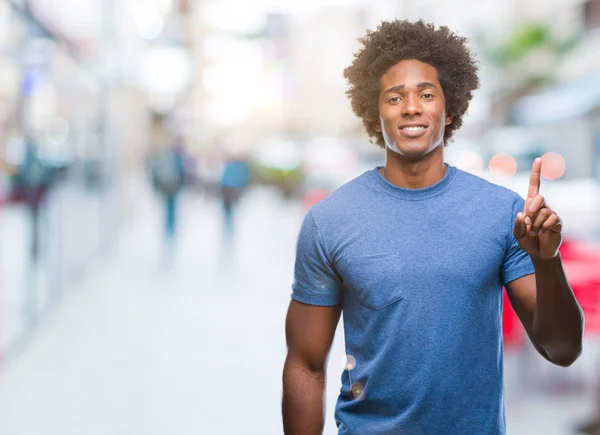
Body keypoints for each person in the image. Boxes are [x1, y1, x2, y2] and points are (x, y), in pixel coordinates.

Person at [282, 20, 584, 435]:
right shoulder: (330, 221)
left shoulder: (503, 214)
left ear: (451, 106)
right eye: (395, 97)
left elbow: (563, 350)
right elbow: (305, 363)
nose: (411, 107)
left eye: (427, 94)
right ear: (376, 110)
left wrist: (546, 261)